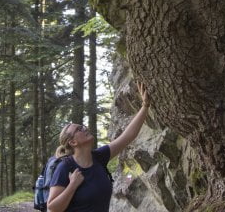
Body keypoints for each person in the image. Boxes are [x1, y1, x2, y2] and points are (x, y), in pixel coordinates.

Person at [46, 82, 150, 212]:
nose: (84, 128)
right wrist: (72, 185)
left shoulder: (99, 157)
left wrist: (145, 106)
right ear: (73, 142)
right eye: (79, 129)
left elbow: (127, 137)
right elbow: (52, 208)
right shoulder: (66, 167)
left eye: (82, 126)